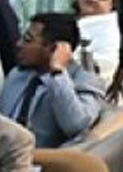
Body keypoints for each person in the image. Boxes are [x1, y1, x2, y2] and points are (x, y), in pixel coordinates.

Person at [3, 11, 107, 147]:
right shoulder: (18, 74)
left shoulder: (85, 80)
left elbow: (75, 125)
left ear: (53, 48)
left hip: (43, 162)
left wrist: (58, 72)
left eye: (27, 40)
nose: (19, 44)